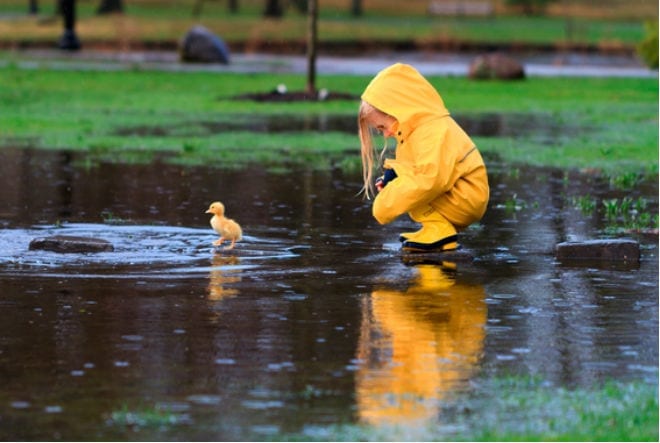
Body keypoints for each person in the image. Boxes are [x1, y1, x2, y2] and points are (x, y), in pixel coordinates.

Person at [358, 63, 489, 252]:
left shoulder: (433, 131)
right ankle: (436, 228)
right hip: (457, 195)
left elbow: (431, 179)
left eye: (382, 127)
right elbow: (413, 167)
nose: (386, 135)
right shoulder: (414, 131)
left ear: (397, 110)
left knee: (413, 189)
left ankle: (440, 231)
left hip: (465, 199)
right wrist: (392, 177)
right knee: (407, 186)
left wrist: (385, 203)